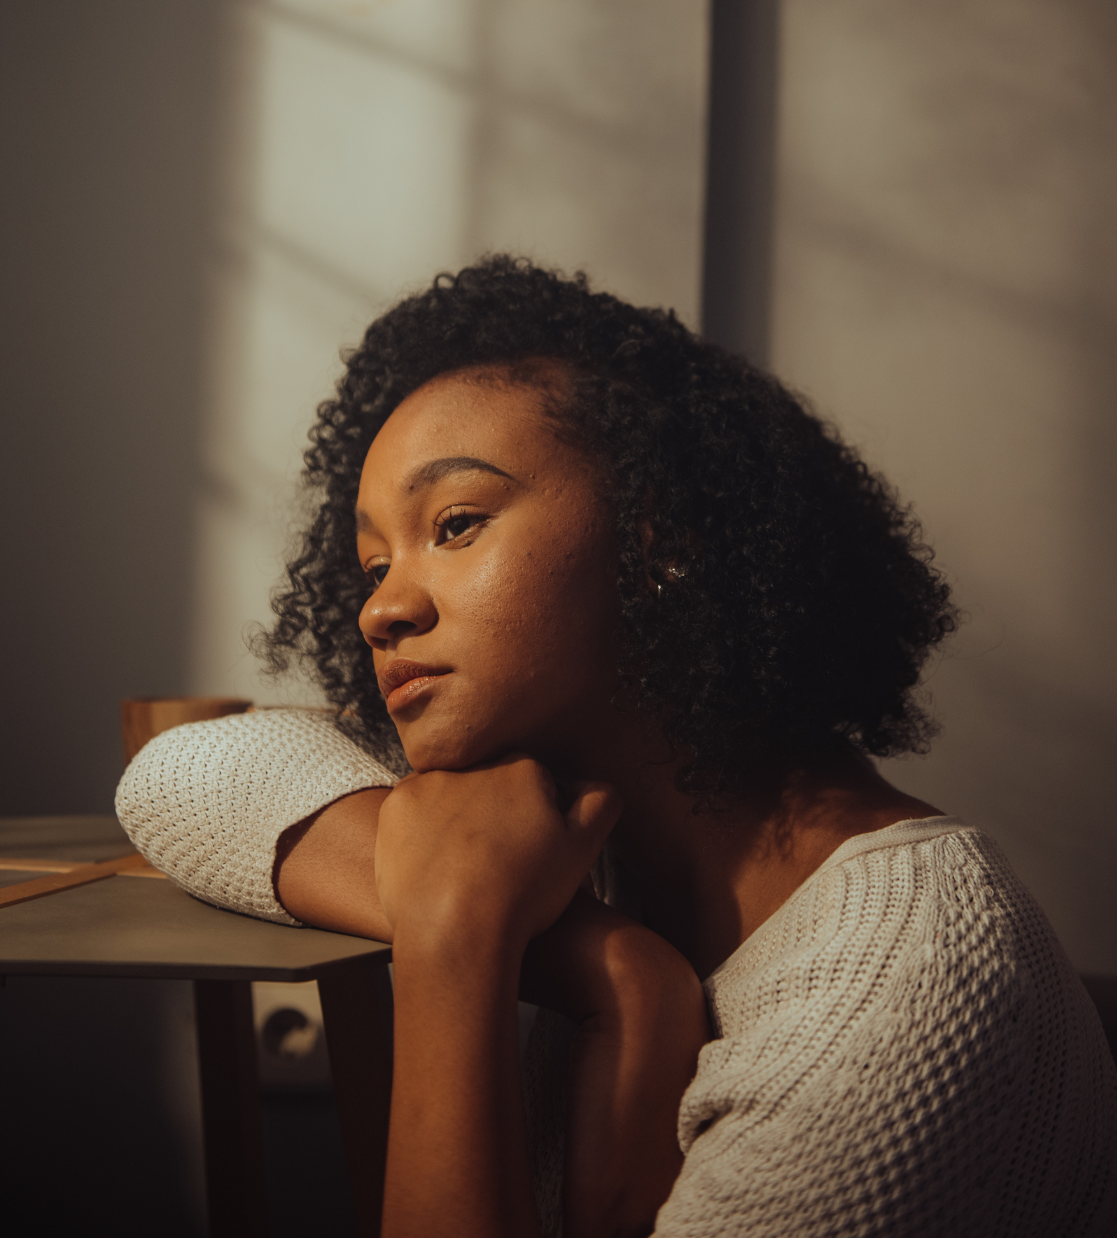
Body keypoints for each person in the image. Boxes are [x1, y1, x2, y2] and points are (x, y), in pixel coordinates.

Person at [117, 257, 1117, 1238]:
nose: (381, 605)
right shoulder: (579, 855)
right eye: (375, 561)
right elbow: (183, 775)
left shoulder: (900, 990)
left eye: (455, 524)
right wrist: (616, 969)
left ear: (663, 535)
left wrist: (455, 939)